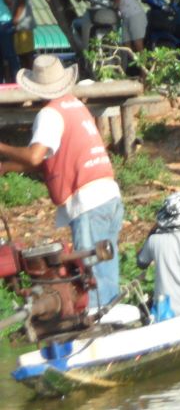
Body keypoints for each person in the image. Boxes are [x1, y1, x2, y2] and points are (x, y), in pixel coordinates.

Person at [0, 55, 124, 307]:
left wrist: (2, 146)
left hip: (88, 203)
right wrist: (4, 168)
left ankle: (100, 335)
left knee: (93, 277)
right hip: (108, 195)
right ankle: (113, 321)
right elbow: (47, 157)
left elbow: (34, 157)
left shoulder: (49, 114)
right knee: (106, 272)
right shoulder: (74, 106)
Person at [0, 0, 18, 82]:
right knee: (6, 57)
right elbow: (9, 0)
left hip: (4, 23)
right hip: (4, 23)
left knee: (8, 56)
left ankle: (14, 83)